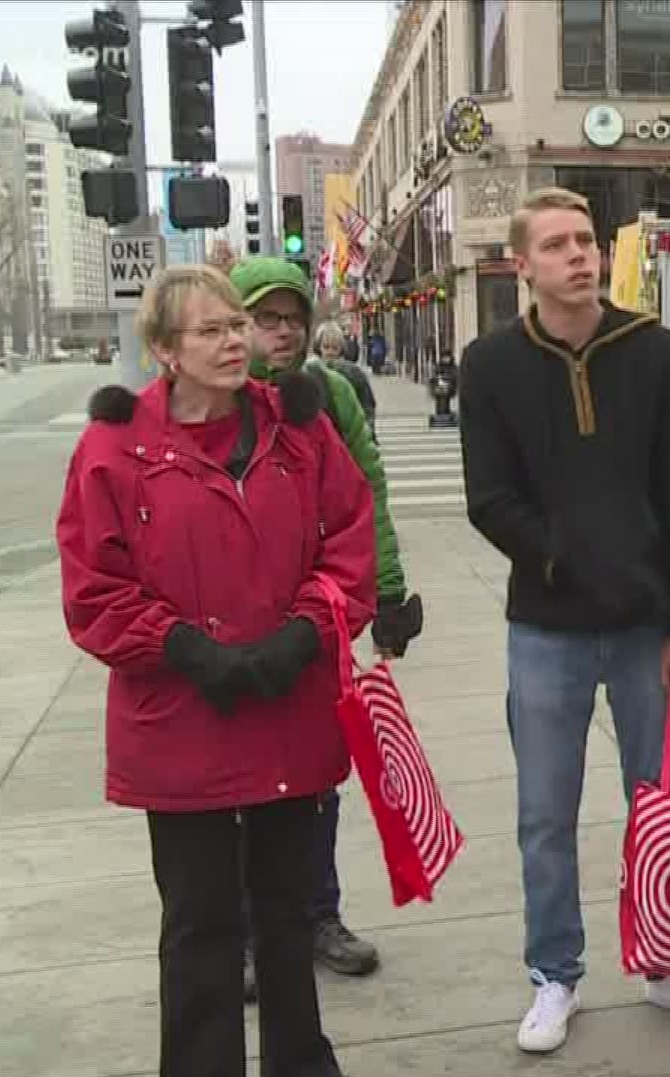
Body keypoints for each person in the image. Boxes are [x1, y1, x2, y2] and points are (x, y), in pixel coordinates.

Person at [55, 265, 376, 1077]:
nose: (236, 341)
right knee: (199, 925)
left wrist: (305, 634)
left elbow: (349, 541)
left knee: (287, 914)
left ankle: (302, 1065)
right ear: (164, 349)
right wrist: (187, 650)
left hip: (285, 709)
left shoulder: (299, 432)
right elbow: (95, 588)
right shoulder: (114, 448)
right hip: (181, 723)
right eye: (212, 330)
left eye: (238, 325)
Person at [456, 186, 670, 1054]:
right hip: (546, 628)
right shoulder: (491, 365)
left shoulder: (655, 351)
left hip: (649, 629)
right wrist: (565, 554)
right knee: (545, 813)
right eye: (559, 244)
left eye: (587, 241)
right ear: (523, 265)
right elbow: (488, 500)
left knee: (660, 804)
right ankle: (554, 974)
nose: (580, 255)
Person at [227, 255, 424, 989]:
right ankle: (247, 936)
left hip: (319, 622)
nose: (280, 333)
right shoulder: (210, 398)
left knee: (317, 780)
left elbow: (364, 492)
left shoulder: (329, 394)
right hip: (234, 627)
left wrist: (391, 592)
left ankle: (318, 913)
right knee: (237, 791)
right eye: (264, 318)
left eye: (292, 320)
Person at [311, 320, 376, 438]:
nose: (330, 352)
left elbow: (367, 405)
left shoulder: (354, 373)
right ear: (319, 347)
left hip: (348, 436)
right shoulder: (310, 372)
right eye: (326, 347)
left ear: (341, 348)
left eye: (334, 348)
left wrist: (368, 432)